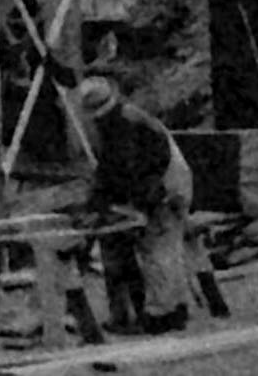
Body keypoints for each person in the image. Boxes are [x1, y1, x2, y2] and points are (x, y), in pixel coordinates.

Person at [77, 75, 195, 335]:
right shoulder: (112, 125)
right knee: (142, 248)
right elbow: (109, 169)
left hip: (167, 184)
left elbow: (150, 168)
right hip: (151, 184)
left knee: (159, 247)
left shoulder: (131, 123)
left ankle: (166, 314)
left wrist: (139, 205)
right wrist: (97, 202)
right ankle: (146, 311)